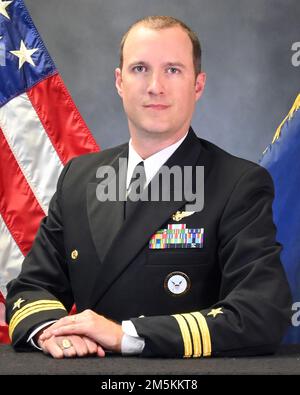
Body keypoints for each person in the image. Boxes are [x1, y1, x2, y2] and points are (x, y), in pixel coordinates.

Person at [6, 15, 291, 359]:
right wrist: (55, 334)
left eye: (173, 70)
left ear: (198, 85)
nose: (155, 86)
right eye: (140, 68)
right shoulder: (79, 178)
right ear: (119, 82)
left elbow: (261, 312)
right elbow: (32, 288)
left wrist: (126, 335)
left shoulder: (237, 183)